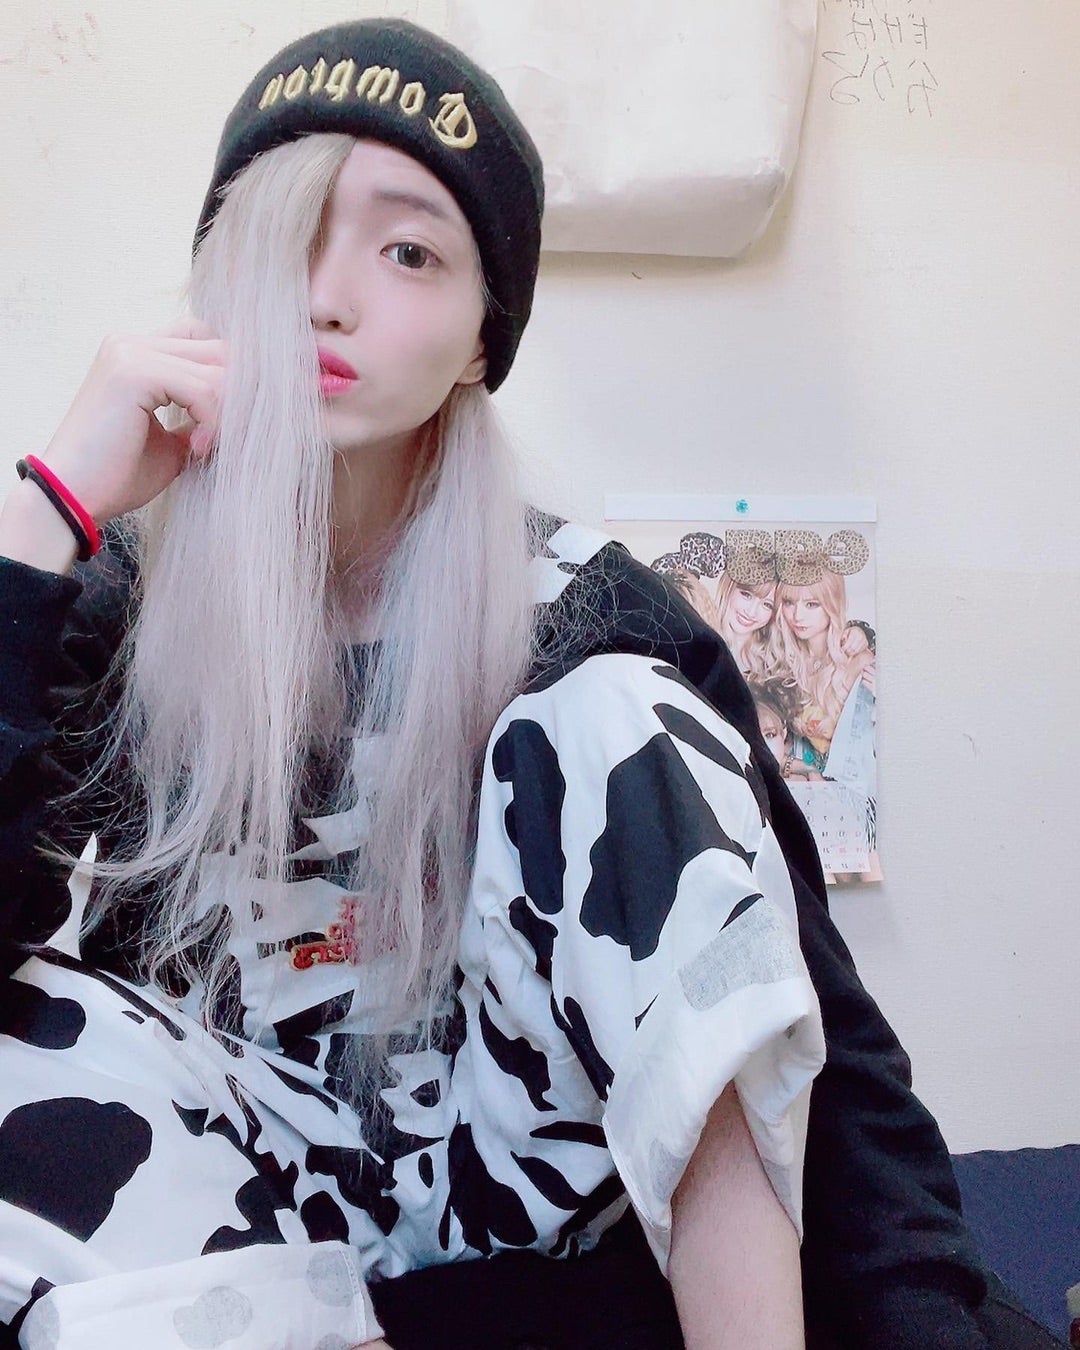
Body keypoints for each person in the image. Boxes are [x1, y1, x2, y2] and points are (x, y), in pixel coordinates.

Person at [0, 18, 1063, 1350]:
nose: (328, 301)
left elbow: (809, 1037)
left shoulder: (589, 614)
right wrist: (46, 515)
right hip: (248, 1234)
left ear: (479, 339)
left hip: (519, 1215)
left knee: (609, 718)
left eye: (409, 252)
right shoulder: (121, 600)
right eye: (287, 242)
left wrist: (920, 1318)